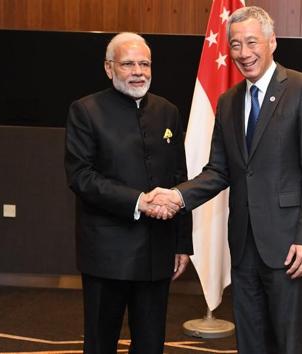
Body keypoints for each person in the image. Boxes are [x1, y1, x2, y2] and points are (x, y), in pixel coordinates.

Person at [145, 6, 302, 354]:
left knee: (290, 342)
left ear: (272, 41)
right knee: (250, 340)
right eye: (235, 45)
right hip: (244, 246)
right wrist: (177, 196)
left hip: (289, 245)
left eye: (251, 42)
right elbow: (220, 170)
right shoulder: (228, 101)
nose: (243, 53)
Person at [64, 32, 192, 354]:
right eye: (128, 63)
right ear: (109, 68)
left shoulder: (168, 112)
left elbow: (180, 178)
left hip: (157, 253)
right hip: (106, 254)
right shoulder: (85, 111)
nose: (138, 71)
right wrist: (138, 201)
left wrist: (182, 244)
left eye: (144, 63)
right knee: (100, 343)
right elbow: (81, 176)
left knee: (151, 344)